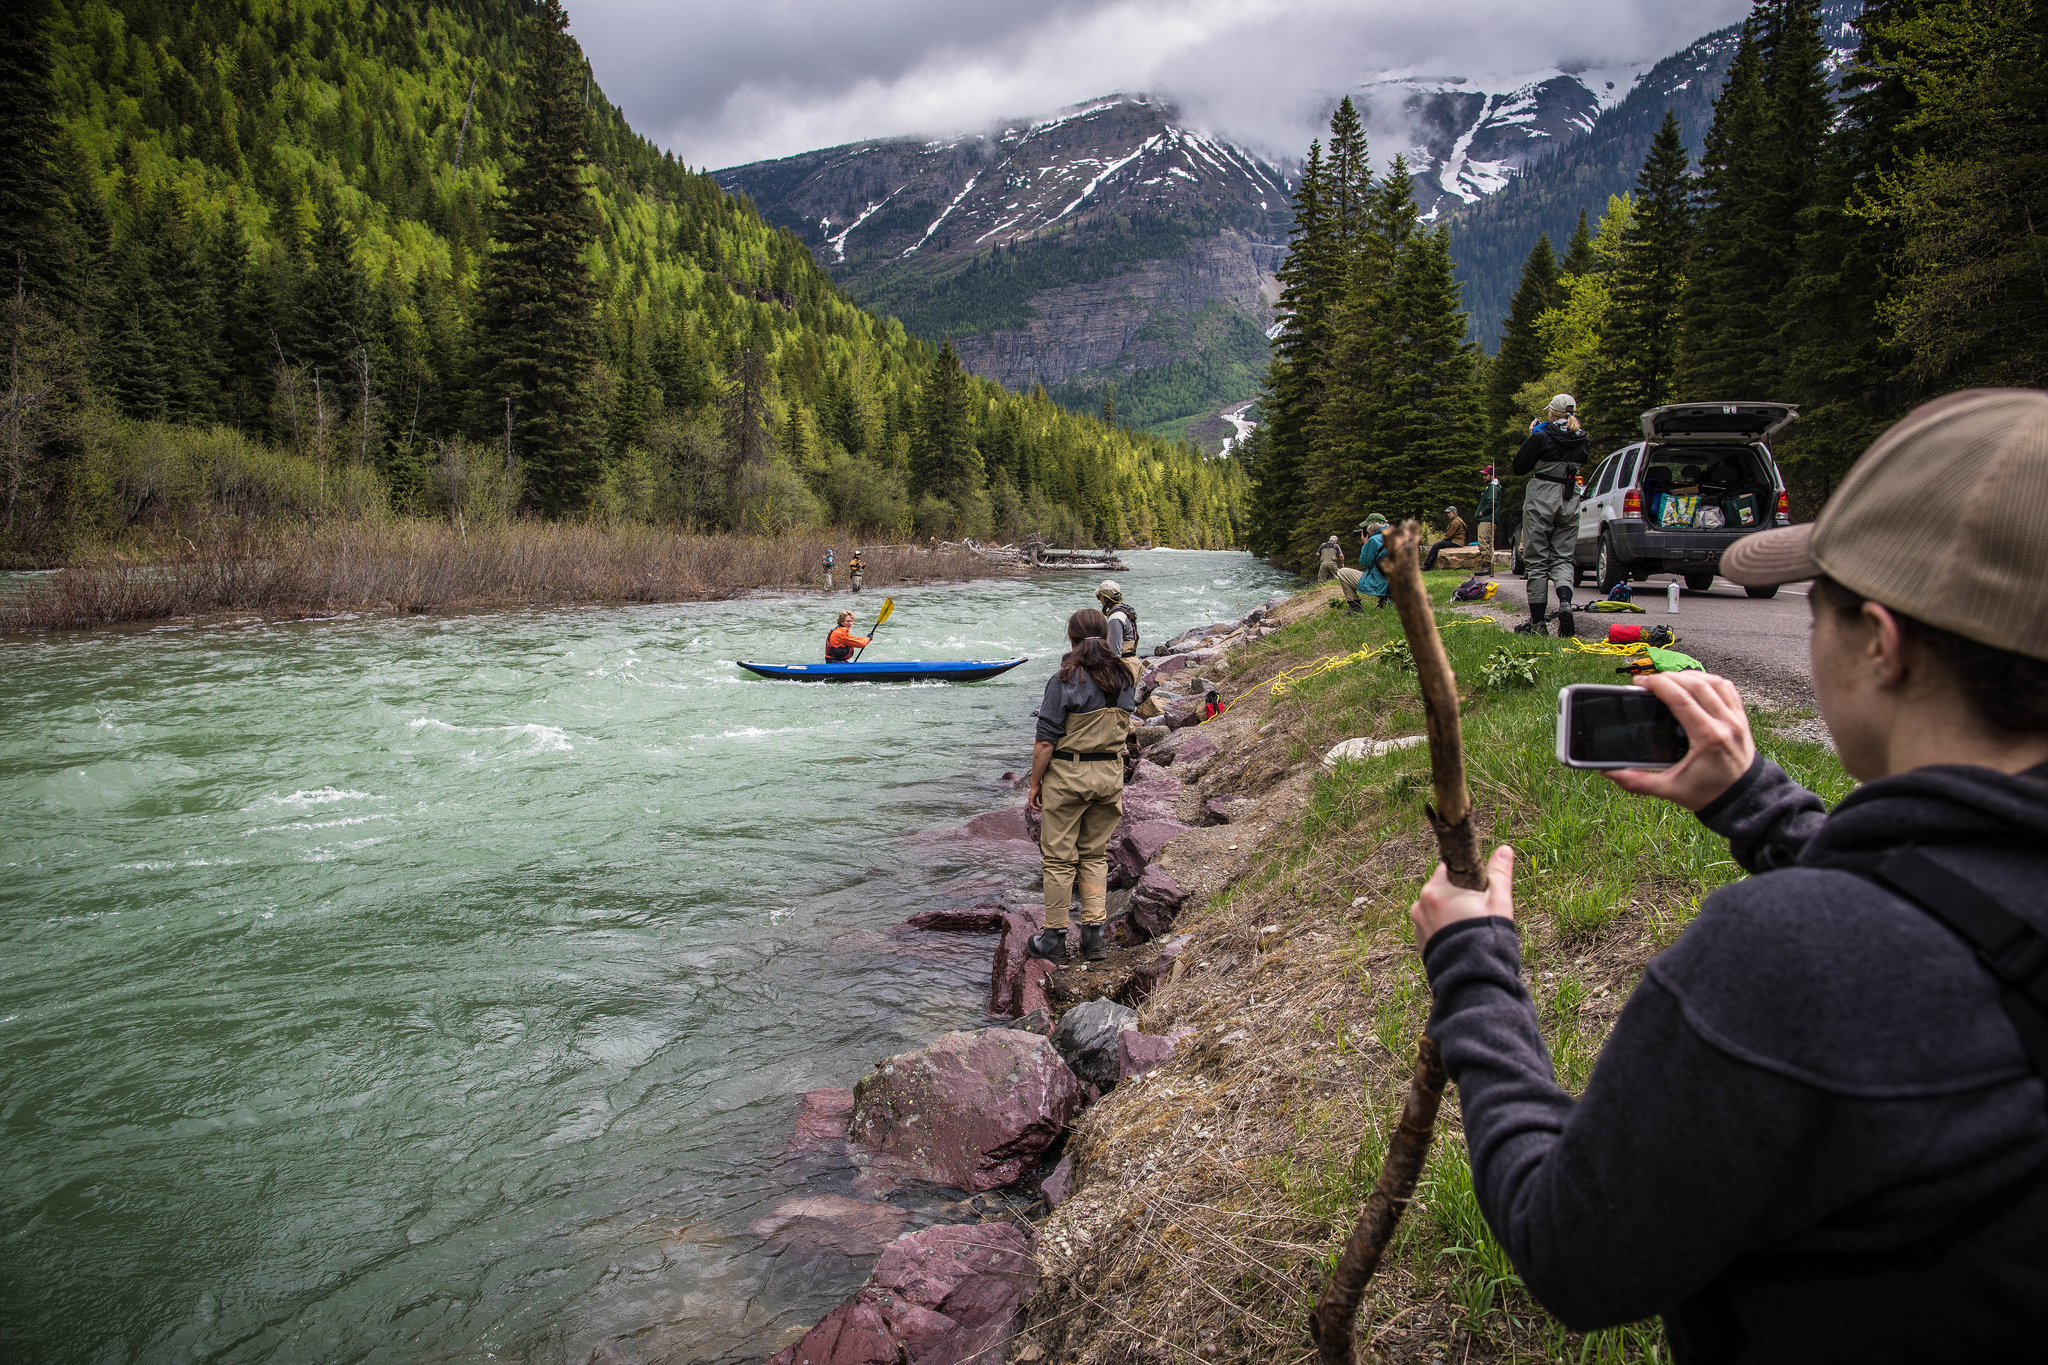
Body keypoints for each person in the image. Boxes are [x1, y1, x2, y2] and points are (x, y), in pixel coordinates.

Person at [1407, 389, 2048, 1360]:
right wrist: (1753, 804)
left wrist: (1472, 968)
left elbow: (1571, 1252)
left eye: (1816, 606)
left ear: (1879, 642)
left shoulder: (1790, 957)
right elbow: (1967, 919)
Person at [1027, 609, 1138, 963]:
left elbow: (1046, 741)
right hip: (1109, 775)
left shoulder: (1065, 679)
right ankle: (1094, 938)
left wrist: (1034, 783)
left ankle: (1054, 938)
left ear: (1071, 638)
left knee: (1059, 859)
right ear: (1105, 635)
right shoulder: (1124, 677)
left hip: (1069, 775)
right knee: (1094, 855)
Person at [1512, 394, 1589, 633]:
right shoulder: (1583, 439)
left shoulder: (1542, 436)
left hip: (1542, 498)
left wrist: (1532, 436)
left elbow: (1519, 467)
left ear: (1551, 413)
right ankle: (1565, 602)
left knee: (1536, 560)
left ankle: (1538, 623)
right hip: (1570, 498)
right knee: (1563, 557)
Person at [1334, 516, 1392, 613]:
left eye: (1366, 528)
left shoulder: (1374, 540)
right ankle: (1383, 601)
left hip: (1381, 584)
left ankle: (1355, 606)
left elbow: (1365, 562)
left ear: (1372, 527)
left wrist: (1365, 544)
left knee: (1343, 573)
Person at [1096, 579, 1142, 686]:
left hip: (1124, 669)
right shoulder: (1126, 611)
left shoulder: (1115, 619)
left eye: (1099, 597)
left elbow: (1115, 652)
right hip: (1133, 664)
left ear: (1104, 598)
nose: (1099, 600)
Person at [1422, 506, 1468, 571]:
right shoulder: (1458, 520)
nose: (1448, 515)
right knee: (1439, 545)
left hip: (1455, 542)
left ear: (1454, 513)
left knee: (1436, 546)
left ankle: (1427, 565)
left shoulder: (1456, 522)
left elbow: (1450, 534)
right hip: (1457, 541)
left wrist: (1443, 540)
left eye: (1449, 513)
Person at [1474, 467, 1500, 577]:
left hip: (1487, 519)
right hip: (1486, 519)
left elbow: (1492, 502)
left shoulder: (1493, 488)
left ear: (1491, 475)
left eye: (1485, 475)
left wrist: (1482, 512)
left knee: (1484, 541)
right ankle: (1487, 564)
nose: (1483, 477)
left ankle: (1487, 565)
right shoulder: (1489, 487)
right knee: (1485, 541)